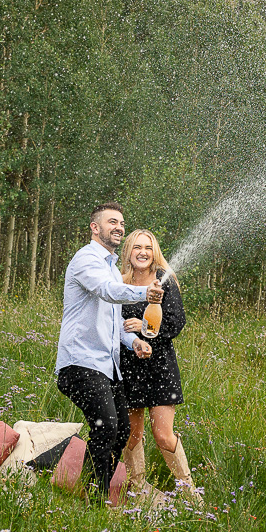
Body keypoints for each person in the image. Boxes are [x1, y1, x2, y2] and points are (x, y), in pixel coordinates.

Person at [55, 203, 163, 503]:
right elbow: (105, 291)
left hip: (107, 365)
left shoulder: (114, 269)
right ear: (95, 228)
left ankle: (86, 490)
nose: (119, 227)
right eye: (111, 221)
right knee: (107, 425)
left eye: (122, 223)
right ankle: (98, 500)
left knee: (122, 429)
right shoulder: (86, 259)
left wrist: (135, 343)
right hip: (80, 363)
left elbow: (115, 325)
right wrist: (144, 293)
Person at [117, 229, 201, 504]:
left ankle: (191, 497)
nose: (142, 252)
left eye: (148, 248)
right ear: (128, 251)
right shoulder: (119, 282)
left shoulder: (165, 281)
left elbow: (177, 322)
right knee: (133, 434)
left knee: (163, 435)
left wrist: (145, 327)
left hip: (160, 367)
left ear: (155, 253)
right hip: (128, 367)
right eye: (137, 247)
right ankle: (138, 493)